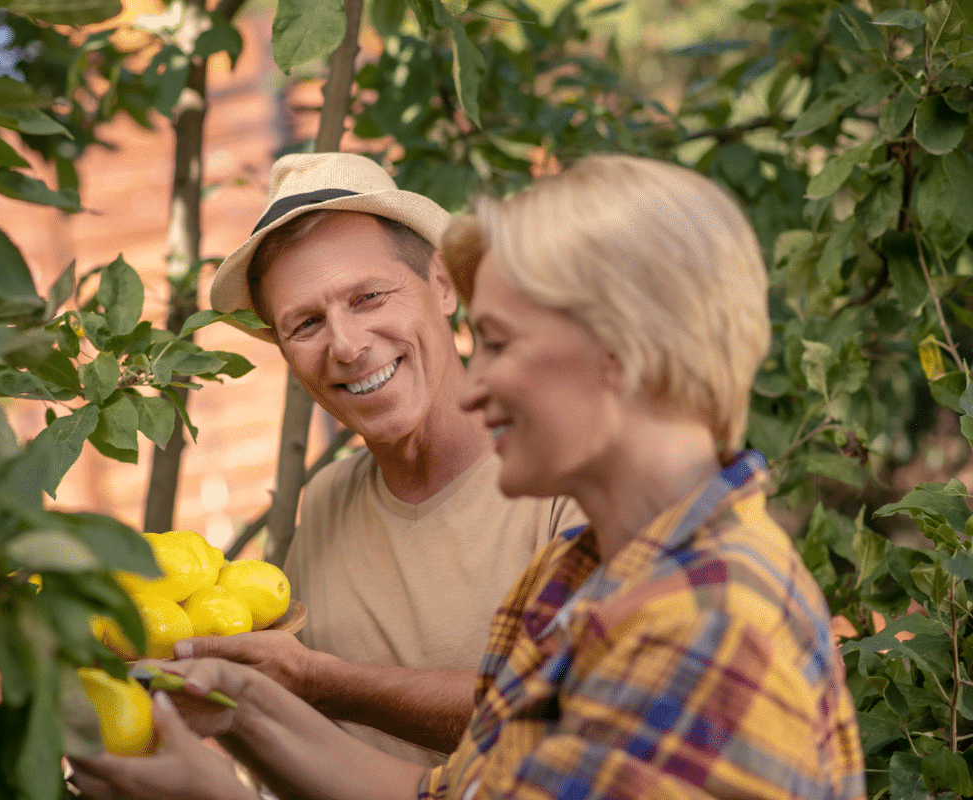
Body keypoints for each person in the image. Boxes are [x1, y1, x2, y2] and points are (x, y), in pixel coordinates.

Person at [71, 153, 866, 800]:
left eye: (501, 342)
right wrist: (240, 704)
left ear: (618, 356)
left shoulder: (703, 628)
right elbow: (444, 793)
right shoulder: (576, 578)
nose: (476, 388)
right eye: (306, 323)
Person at [183, 151, 586, 765]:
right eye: (306, 324)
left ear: (444, 284)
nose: (346, 346)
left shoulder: (571, 473)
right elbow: (314, 749)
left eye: (369, 297)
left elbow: (569, 713)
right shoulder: (323, 507)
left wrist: (319, 681)